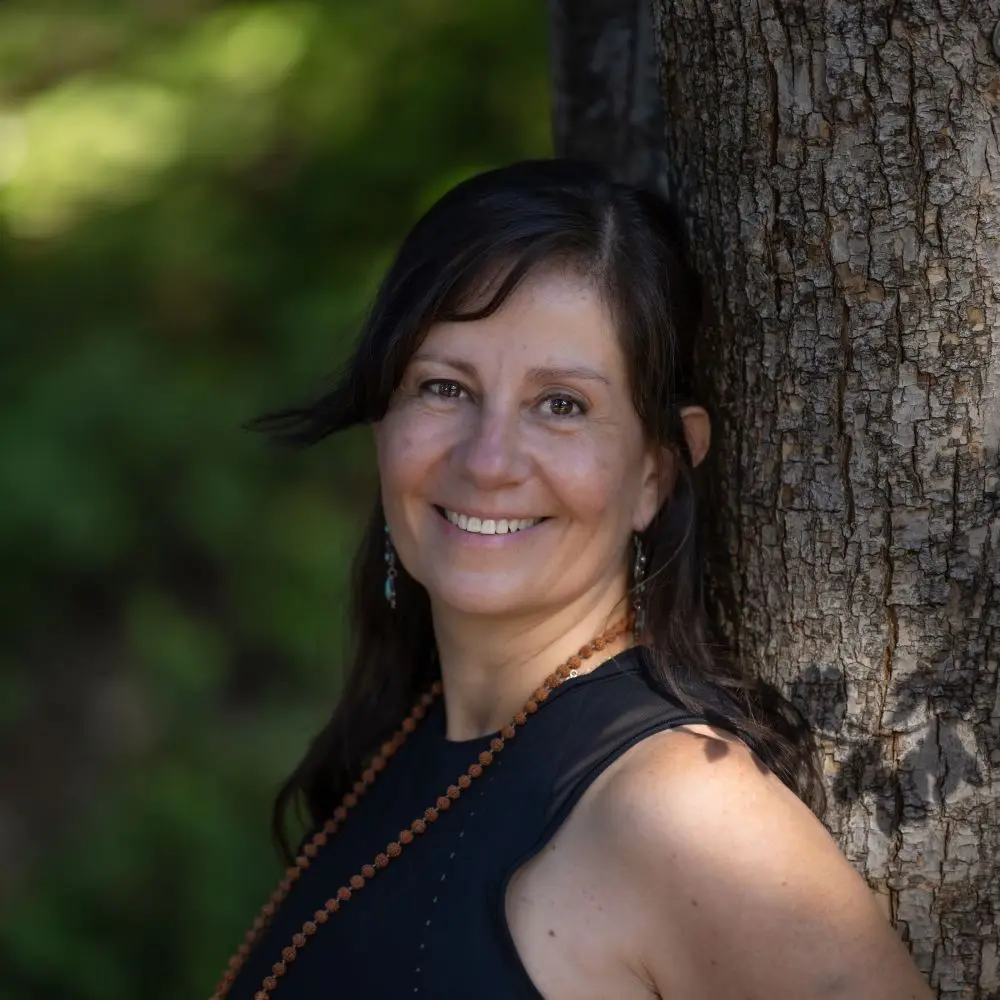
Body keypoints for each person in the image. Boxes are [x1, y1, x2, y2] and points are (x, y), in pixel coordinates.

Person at [212, 160, 933, 1000]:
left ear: (656, 473)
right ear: (383, 424)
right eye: (444, 387)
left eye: (562, 404)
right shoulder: (400, 743)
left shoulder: (686, 815)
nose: (487, 462)